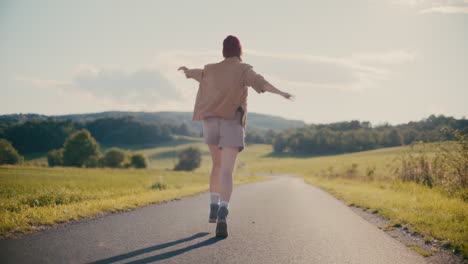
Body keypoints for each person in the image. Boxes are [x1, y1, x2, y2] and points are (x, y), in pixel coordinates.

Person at [178, 35, 292, 238]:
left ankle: (213, 205)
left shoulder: (210, 69)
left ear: (223, 50)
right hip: (232, 122)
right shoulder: (243, 69)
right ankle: (223, 211)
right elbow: (261, 83)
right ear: (240, 50)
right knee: (227, 172)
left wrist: (186, 71)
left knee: (216, 166)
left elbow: (196, 74)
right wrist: (281, 92)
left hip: (210, 122)